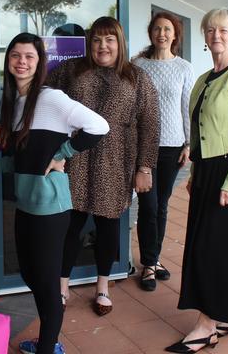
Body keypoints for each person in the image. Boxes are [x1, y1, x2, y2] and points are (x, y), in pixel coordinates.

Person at [0, 33, 109, 354]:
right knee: (30, 274)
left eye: (29, 57)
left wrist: (63, 152)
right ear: (8, 62)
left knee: (48, 284)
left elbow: (99, 126)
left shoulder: (52, 99)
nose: (21, 62)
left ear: (39, 64)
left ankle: (48, 347)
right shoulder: (14, 104)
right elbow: (27, 157)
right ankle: (49, 339)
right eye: (15, 56)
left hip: (51, 207)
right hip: (26, 204)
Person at [47, 16, 160, 316]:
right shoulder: (71, 70)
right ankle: (61, 285)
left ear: (119, 43)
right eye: (96, 39)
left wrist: (144, 167)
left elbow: (150, 123)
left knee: (109, 226)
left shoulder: (137, 77)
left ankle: (102, 286)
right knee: (70, 225)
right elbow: (44, 98)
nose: (102, 46)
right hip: (75, 157)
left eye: (109, 39)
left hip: (117, 160)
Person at [166, 8, 228, 353]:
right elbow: (199, 130)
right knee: (218, 243)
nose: (216, 35)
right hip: (206, 170)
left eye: (222, 30)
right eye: (210, 30)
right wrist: (194, 172)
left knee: (213, 245)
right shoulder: (205, 78)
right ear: (204, 37)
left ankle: (207, 325)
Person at [132, 12, 194, 291]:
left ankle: (153, 260)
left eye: (167, 29)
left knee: (162, 205)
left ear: (174, 34)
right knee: (148, 205)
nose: (162, 33)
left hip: (172, 145)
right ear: (150, 32)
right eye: (157, 28)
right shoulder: (137, 65)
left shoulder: (183, 67)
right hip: (143, 145)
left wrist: (189, 144)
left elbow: (187, 108)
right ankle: (148, 262)